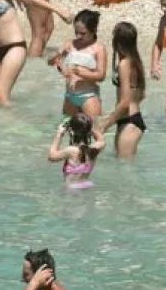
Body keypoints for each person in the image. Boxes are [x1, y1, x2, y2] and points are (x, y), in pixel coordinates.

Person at [95, 22, 146, 157]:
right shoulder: (135, 61)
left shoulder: (124, 64)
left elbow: (125, 102)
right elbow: (141, 95)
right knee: (123, 165)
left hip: (129, 121)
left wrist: (106, 123)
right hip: (131, 119)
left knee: (125, 165)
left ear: (117, 42)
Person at [48, 10, 106, 119]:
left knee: (94, 127)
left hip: (88, 96)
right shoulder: (70, 44)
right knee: (66, 126)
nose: (78, 36)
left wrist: (81, 73)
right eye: (76, 32)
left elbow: (101, 76)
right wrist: (57, 55)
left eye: (83, 33)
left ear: (94, 30)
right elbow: (50, 62)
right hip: (70, 96)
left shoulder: (99, 48)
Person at [47, 113, 105, 189]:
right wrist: (90, 129)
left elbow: (51, 157)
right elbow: (101, 140)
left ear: (71, 131)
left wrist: (59, 134)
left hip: (71, 190)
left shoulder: (71, 151)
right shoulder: (95, 148)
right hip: (86, 186)